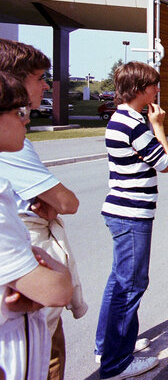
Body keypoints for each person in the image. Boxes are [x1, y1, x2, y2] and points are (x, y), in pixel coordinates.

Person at [0, 38, 86, 380]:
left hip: (23, 297)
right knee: (47, 358)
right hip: (22, 315)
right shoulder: (15, 147)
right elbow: (68, 202)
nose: (46, 86)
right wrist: (53, 273)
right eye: (39, 78)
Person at [95, 62, 168, 380]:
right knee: (131, 285)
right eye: (154, 85)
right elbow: (165, 162)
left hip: (120, 211)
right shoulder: (136, 124)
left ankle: (108, 346)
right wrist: (159, 125)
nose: (157, 90)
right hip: (132, 214)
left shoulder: (119, 118)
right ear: (140, 89)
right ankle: (117, 363)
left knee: (118, 282)